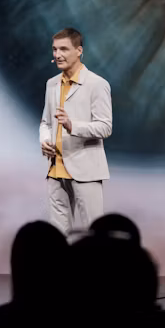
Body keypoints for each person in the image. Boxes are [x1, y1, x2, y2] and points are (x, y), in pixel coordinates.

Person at [39, 27, 113, 235]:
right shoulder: (52, 84)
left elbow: (105, 126)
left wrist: (73, 126)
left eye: (63, 49)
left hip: (86, 170)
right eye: (54, 49)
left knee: (95, 234)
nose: (57, 55)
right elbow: (45, 122)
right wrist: (45, 140)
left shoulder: (97, 84)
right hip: (55, 170)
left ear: (79, 51)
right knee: (57, 236)